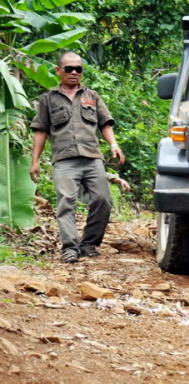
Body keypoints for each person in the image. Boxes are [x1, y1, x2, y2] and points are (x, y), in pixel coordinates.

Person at [29, 51, 126, 263]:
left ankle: (88, 243)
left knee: (103, 200)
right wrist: (35, 161)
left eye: (78, 69)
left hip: (92, 158)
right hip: (64, 160)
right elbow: (41, 131)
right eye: (69, 69)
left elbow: (105, 124)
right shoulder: (48, 99)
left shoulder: (92, 96)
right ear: (59, 71)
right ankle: (70, 249)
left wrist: (114, 145)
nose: (74, 73)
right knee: (66, 203)